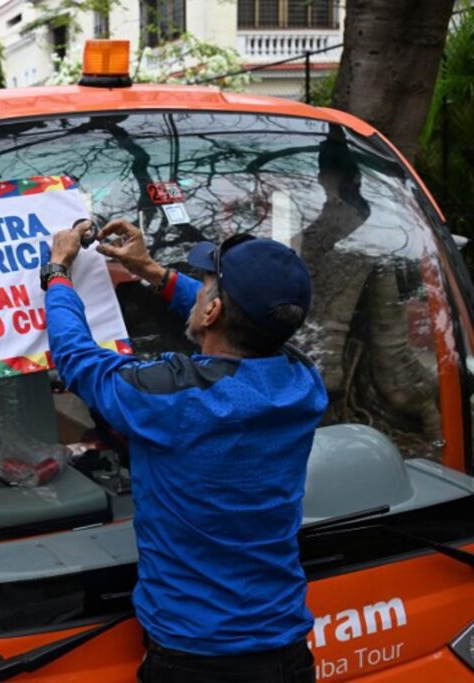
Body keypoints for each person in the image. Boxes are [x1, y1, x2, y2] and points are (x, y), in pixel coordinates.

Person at [42, 220, 327, 683]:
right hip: (286, 654)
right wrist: (151, 270)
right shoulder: (302, 382)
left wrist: (57, 272)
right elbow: (240, 320)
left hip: (194, 660)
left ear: (212, 311)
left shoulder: (176, 398)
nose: (198, 290)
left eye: (206, 285)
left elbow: (78, 360)